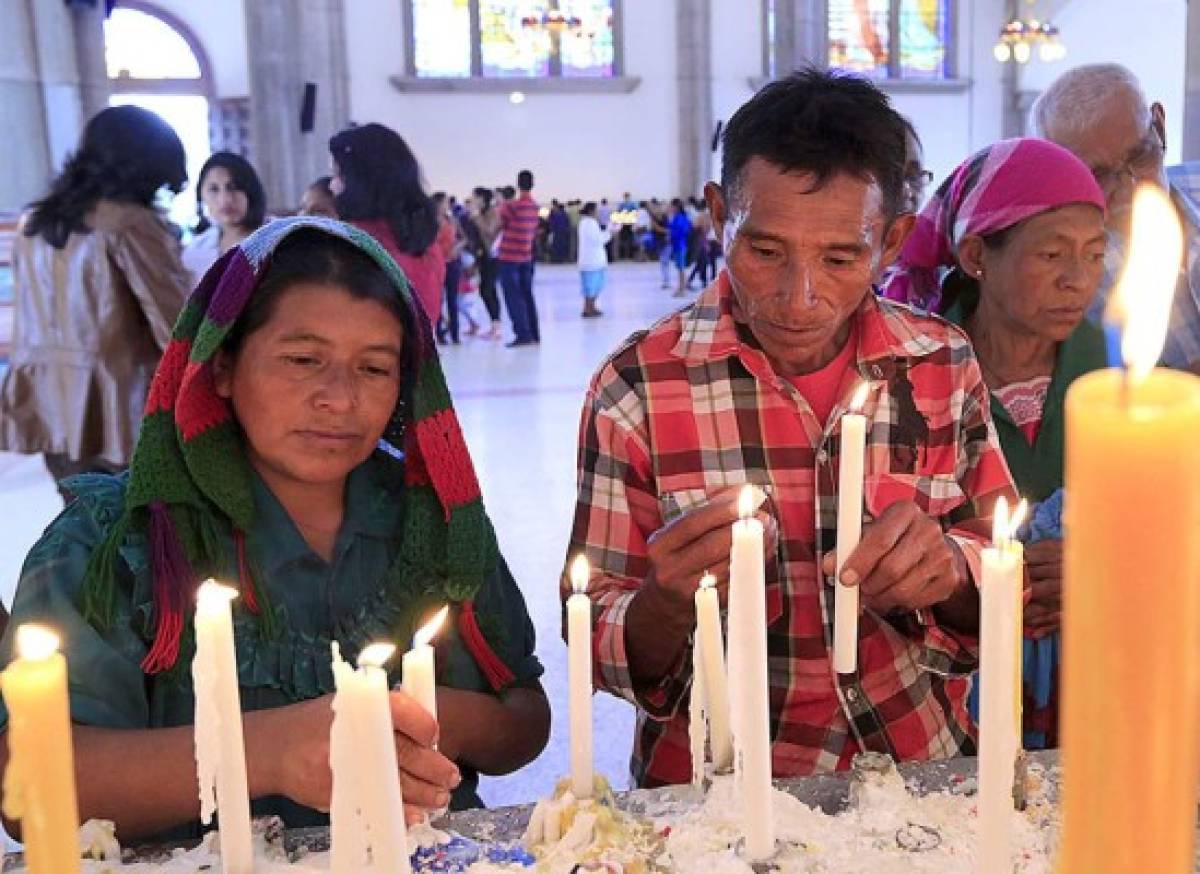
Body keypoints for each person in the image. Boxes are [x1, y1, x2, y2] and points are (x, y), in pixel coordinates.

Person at [0, 218, 549, 845]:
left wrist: (430, 713)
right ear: (223, 366)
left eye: (374, 369)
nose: (339, 399)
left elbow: (524, 720)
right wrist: (270, 749)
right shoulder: (120, 539)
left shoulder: (433, 519)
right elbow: (30, 789)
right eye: (302, 359)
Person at [564, 69, 1014, 788]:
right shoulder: (639, 388)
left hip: (918, 762)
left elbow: (999, 572)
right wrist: (663, 603)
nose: (799, 298)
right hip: (718, 782)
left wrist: (952, 571)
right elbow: (595, 632)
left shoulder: (940, 363)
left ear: (893, 241)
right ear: (719, 216)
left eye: (842, 258)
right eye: (764, 251)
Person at [884, 138, 1109, 748]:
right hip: (951, 674)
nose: (1077, 280)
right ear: (978, 254)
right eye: (1052, 254)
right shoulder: (912, 367)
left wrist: (1104, 565)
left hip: (1098, 665)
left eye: (1094, 255)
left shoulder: (1119, 369)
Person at [0, 105, 191, 496]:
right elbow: (177, 326)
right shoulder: (128, 222)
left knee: (83, 528)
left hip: (52, 407)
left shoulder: (34, 222)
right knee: (139, 537)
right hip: (121, 411)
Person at [1031, 63, 1200, 372]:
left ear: (1159, 126)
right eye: (1098, 175)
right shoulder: (1067, 281)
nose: (1130, 186)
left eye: (1141, 155)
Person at [328, 123, 453, 333]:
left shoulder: (357, 247)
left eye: (339, 175)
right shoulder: (422, 241)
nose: (332, 185)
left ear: (362, 181)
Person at [183, 151, 268, 285]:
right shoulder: (195, 249)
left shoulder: (277, 238)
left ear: (251, 192)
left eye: (233, 187)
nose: (225, 199)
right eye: (214, 189)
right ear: (201, 196)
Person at [498, 169, 541, 347]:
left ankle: (522, 334)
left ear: (518, 184)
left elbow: (501, 222)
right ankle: (534, 333)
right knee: (528, 295)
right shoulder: (534, 206)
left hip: (509, 257)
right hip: (526, 257)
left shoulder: (511, 206)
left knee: (513, 297)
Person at [467, 186, 504, 339]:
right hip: (482, 256)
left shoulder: (492, 213)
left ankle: (497, 326)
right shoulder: (480, 214)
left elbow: (489, 232)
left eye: (475, 197)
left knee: (488, 289)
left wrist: (476, 217)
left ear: (483, 199)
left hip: (493, 257)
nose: (472, 200)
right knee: (485, 289)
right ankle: (494, 325)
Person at [432, 192, 466, 345]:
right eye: (445, 202)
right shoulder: (430, 222)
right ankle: (439, 334)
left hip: (453, 262)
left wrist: (458, 247)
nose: (447, 204)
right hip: (437, 264)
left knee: (453, 299)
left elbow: (464, 238)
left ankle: (455, 333)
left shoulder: (452, 220)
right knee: (438, 300)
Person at [577, 201, 612, 318]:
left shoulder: (585, 223)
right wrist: (609, 232)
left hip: (590, 261)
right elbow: (598, 240)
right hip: (593, 262)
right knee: (592, 287)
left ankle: (591, 307)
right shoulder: (590, 223)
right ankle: (588, 308)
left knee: (591, 287)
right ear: (592, 211)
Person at [667, 198, 692, 297]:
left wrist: (672, 235)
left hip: (680, 245)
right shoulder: (676, 217)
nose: (670, 208)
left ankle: (682, 289)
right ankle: (680, 287)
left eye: (671, 206)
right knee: (679, 268)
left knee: (681, 268)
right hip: (677, 245)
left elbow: (683, 231)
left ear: (676, 207)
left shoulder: (681, 218)